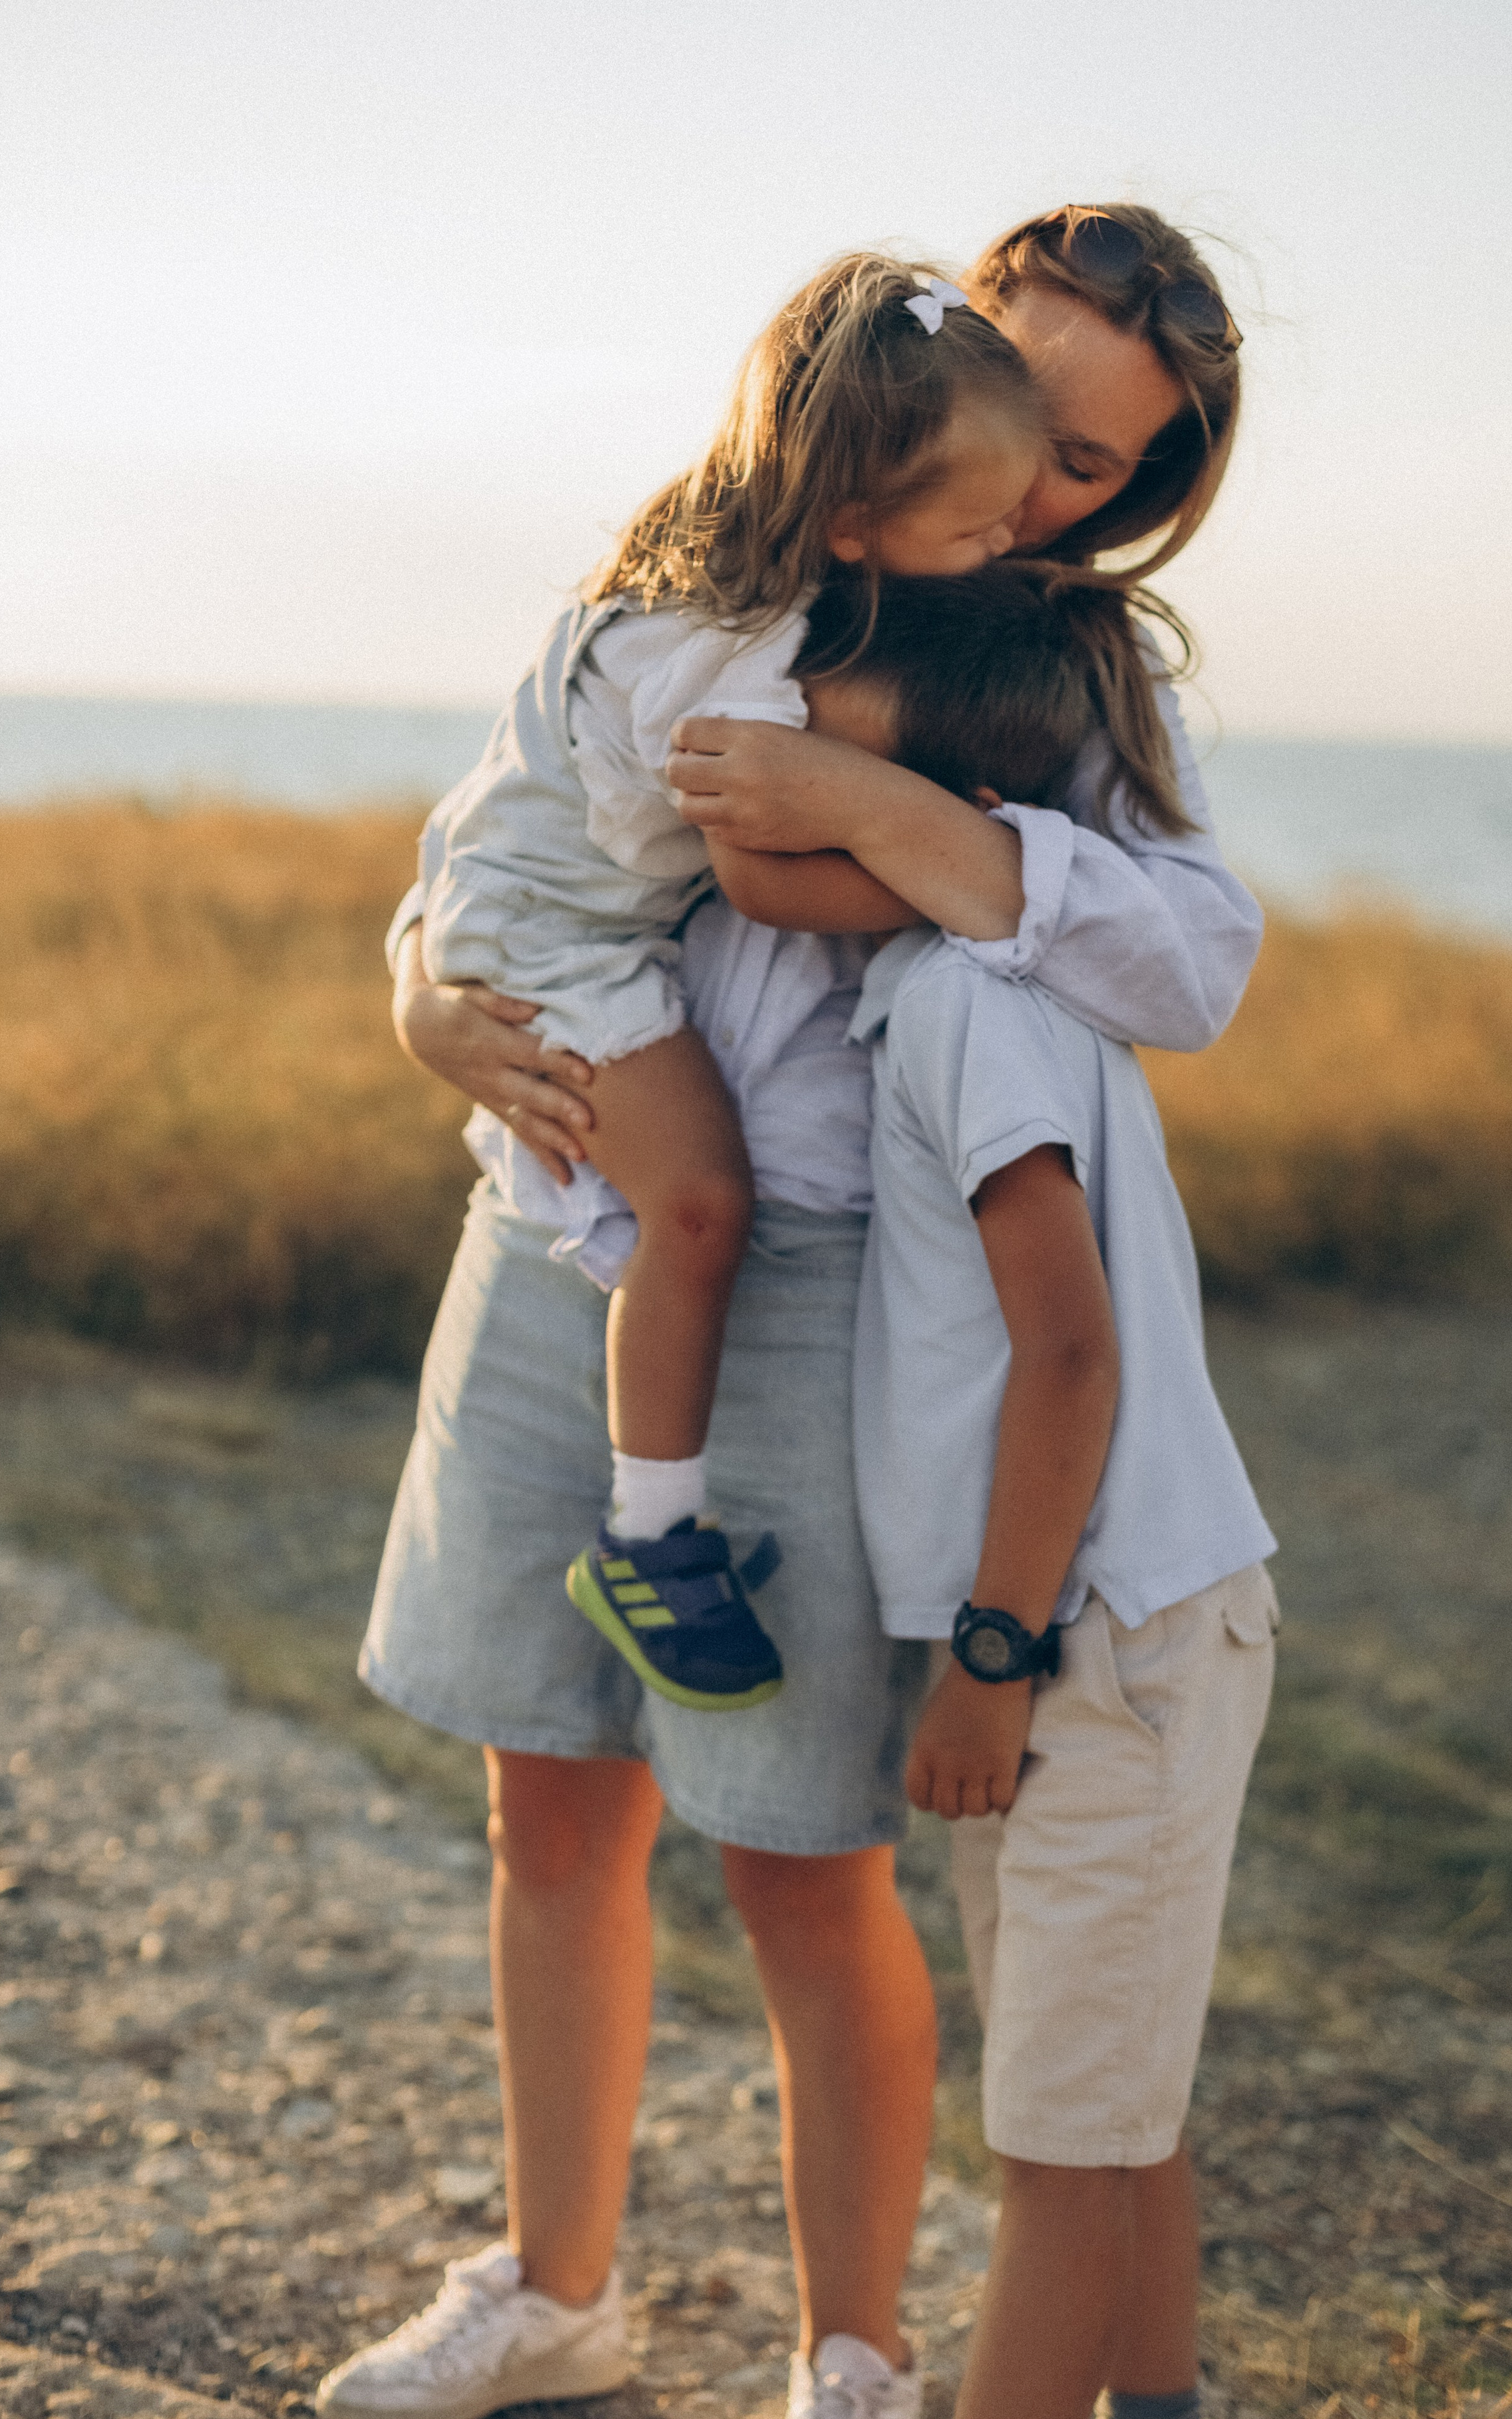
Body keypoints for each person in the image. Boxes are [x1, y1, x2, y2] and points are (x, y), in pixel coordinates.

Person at [319, 204, 1249, 2419]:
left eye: (1094, 465)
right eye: (1021, 423)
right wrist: (421, 986)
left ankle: (857, 2367)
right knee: (553, 1793)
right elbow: (513, 814)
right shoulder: (757, 530)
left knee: (800, 1853)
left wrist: (892, 818)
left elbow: (1190, 957)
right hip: (553, 1229)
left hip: (816, 1280)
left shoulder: (1068, 668)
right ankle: (555, 2285)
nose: (1039, 490)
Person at [737, 588, 1275, 2419]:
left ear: (943, 812)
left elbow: (1071, 1347)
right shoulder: (948, 985)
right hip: (1105, 1622)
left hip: (1091, 1634)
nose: (765, 804)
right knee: (1109, 2081)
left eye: (823, 778)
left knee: (1057, 2142)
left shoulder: (970, 999)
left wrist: (988, 1648)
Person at [417, 251, 1045, 1713]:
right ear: (850, 520)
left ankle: (654, 1523)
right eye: (982, 522)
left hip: (521, 902)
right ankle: (649, 1540)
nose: (1013, 538)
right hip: (547, 945)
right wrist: (965, 883)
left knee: (692, 1198)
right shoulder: (721, 651)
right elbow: (765, 882)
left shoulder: (699, 555)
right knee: (700, 1204)